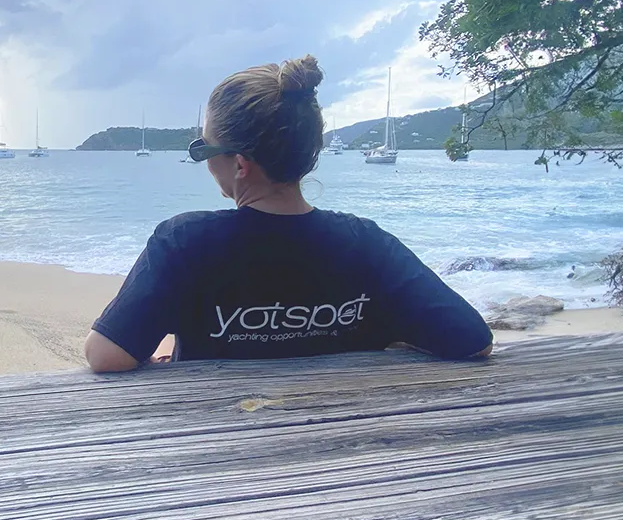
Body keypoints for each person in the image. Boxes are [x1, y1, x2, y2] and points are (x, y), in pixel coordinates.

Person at [84, 55, 493, 373]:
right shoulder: (367, 244)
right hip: (344, 444)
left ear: (240, 165)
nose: (204, 161)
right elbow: (473, 340)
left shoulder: (185, 243)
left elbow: (106, 355)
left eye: (203, 149)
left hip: (222, 446)